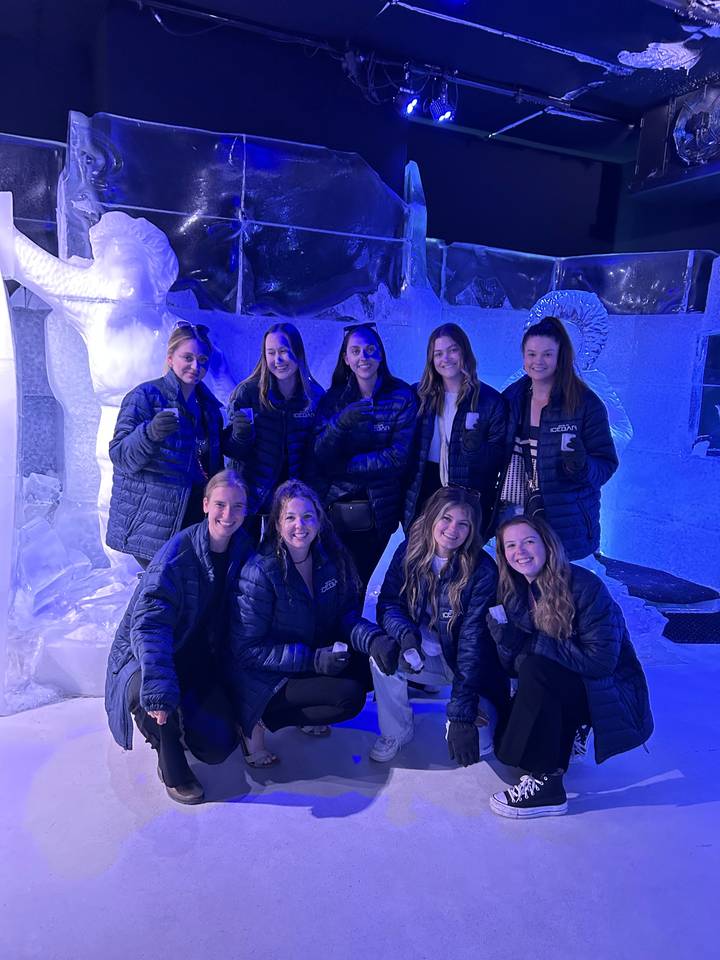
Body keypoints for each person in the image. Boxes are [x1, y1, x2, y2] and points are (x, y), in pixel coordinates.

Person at [486, 515, 653, 819]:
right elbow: (516, 668)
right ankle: (569, 729)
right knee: (508, 751)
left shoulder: (585, 586)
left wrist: (532, 643)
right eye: (510, 545)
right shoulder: (516, 591)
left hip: (605, 688)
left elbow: (602, 662)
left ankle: (548, 784)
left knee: (538, 671)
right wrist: (507, 641)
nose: (519, 551)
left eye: (528, 541)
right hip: (561, 679)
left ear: (547, 544)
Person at [104, 470, 254, 804]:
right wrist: (158, 688)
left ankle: (184, 716)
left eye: (237, 507)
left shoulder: (243, 548)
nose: (228, 515)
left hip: (197, 657)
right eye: (220, 505)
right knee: (153, 698)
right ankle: (168, 758)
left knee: (216, 747)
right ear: (205, 505)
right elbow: (149, 626)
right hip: (148, 656)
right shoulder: (178, 554)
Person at [229, 480, 388, 752]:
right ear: (277, 524)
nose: (299, 526)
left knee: (371, 670)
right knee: (348, 696)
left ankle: (300, 712)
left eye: (307, 517)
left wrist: (374, 639)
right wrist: (312, 660)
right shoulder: (260, 572)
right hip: (265, 676)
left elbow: (344, 617)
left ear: (319, 521)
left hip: (305, 660)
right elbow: (247, 651)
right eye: (290, 517)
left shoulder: (328, 559)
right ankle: (258, 721)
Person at [369, 487, 509, 764]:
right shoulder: (409, 550)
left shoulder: (482, 570)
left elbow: (473, 646)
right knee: (379, 654)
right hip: (418, 653)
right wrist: (406, 638)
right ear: (432, 517)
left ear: (472, 530)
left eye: (463, 524)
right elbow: (388, 604)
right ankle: (397, 731)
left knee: (481, 747)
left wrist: (460, 716)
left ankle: (465, 708)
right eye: (446, 518)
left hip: (460, 665)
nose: (452, 529)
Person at [106, 321, 239, 567]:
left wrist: (238, 434)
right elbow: (121, 455)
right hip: (154, 521)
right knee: (163, 592)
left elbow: (211, 458)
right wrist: (149, 433)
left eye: (202, 360)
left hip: (194, 514)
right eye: (187, 357)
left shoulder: (208, 408)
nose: (195, 366)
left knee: (184, 592)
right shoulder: (145, 396)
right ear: (170, 358)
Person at [498, 315, 618, 560]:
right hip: (518, 516)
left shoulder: (585, 404)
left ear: (561, 357)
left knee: (561, 594)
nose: (538, 361)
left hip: (567, 523)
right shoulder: (511, 399)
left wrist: (582, 465)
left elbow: (605, 465)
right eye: (531, 354)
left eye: (547, 354)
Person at [312, 321, 417, 590]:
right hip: (335, 508)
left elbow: (397, 458)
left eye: (370, 350)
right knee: (331, 584)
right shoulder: (333, 399)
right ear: (346, 359)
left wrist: (344, 466)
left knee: (358, 584)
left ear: (381, 354)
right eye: (356, 351)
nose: (364, 357)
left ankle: (350, 632)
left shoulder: (402, 396)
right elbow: (320, 453)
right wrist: (341, 422)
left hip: (378, 510)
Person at [404, 323, 507, 537]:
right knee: (420, 557)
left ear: (464, 352)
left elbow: (499, 458)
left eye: (452, 350)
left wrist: (475, 448)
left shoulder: (490, 401)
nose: (446, 358)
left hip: (467, 491)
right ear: (431, 360)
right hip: (424, 488)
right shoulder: (418, 395)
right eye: (438, 353)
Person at [228, 322, 324, 541]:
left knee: (281, 561)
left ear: (298, 353)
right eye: (271, 353)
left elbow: (317, 453)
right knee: (244, 558)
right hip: (250, 495)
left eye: (283, 352)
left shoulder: (314, 396)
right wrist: (241, 434)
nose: (277, 360)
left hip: (290, 501)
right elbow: (234, 451)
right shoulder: (248, 392)